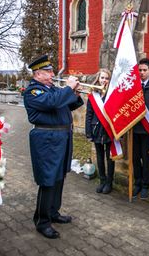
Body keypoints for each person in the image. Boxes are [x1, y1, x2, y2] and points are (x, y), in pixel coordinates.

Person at [23, 55, 83, 239]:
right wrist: (68, 88)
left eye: (51, 71)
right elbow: (53, 103)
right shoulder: (33, 92)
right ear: (38, 74)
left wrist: (75, 94)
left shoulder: (52, 89)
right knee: (48, 180)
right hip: (46, 139)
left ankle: (53, 212)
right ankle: (42, 221)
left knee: (59, 178)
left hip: (62, 137)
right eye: (48, 72)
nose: (52, 74)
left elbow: (67, 105)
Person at [132, 57, 149, 199]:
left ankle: (146, 185)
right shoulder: (133, 87)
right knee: (135, 158)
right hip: (134, 129)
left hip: (148, 130)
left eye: (144, 70)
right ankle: (137, 182)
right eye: (140, 70)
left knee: (146, 159)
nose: (141, 72)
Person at [85, 68, 114, 194]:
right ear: (98, 79)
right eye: (102, 78)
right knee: (100, 157)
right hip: (96, 130)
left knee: (110, 158)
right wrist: (88, 132)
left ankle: (109, 182)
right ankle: (102, 180)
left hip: (109, 131)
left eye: (107, 78)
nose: (104, 80)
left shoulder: (113, 94)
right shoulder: (93, 95)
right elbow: (89, 115)